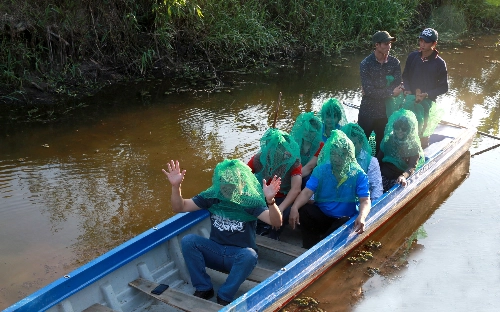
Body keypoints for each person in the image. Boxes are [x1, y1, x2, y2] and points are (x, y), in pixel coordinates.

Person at [162, 159, 282, 306]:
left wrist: (271, 201)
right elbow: (180, 207)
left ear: (241, 184)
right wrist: (176, 186)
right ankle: (204, 288)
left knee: (249, 255)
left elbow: (276, 222)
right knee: (189, 241)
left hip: (238, 257)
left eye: (232, 184)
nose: (227, 188)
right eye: (224, 183)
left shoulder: (249, 202)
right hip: (215, 251)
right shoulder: (212, 197)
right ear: (219, 183)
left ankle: (224, 296)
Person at [288, 130, 371, 249]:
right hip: (323, 215)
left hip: (343, 219)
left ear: (348, 155)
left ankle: (322, 247)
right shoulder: (321, 170)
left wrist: (362, 217)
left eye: (340, 154)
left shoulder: (358, 174)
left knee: (343, 222)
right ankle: (309, 247)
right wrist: (294, 207)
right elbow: (306, 192)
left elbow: (365, 201)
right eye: (333, 154)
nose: (336, 158)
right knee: (305, 211)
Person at [247, 128, 302, 240]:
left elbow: (296, 189)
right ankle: (258, 228)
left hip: (282, 197)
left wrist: (280, 209)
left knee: (283, 213)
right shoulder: (258, 158)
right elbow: (244, 175)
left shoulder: (293, 162)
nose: (274, 151)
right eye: (270, 147)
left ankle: (274, 233)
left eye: (278, 147)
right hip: (262, 195)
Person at [359, 30, 403, 155]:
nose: (389, 46)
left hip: (386, 112)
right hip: (367, 111)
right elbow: (369, 90)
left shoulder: (395, 63)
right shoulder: (365, 64)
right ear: (376, 45)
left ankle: (379, 171)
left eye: (390, 43)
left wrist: (378, 91)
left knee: (382, 146)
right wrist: (389, 92)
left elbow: (397, 86)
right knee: (361, 143)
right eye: (385, 43)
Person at [402, 28, 448, 147]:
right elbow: (405, 76)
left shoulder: (439, 63)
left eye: (426, 42)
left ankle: (421, 157)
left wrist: (427, 94)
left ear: (434, 44)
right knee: (405, 130)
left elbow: (443, 88)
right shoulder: (413, 57)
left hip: (427, 104)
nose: (422, 44)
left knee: (423, 134)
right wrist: (407, 89)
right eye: (421, 41)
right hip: (410, 101)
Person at [377, 109, 425, 192]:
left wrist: (403, 176)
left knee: (395, 187)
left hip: (398, 177)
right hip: (384, 173)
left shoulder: (413, 146)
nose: (400, 131)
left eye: (404, 129)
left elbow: (412, 166)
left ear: (409, 130)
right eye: (397, 127)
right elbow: (378, 160)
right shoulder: (389, 140)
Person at [341, 123, 383, 200]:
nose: (350, 148)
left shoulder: (371, 162)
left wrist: (373, 209)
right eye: (347, 144)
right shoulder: (337, 157)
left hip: (363, 202)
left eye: (354, 144)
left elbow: (376, 189)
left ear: (361, 143)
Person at [289, 112, 324, 188]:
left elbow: (310, 167)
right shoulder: (295, 143)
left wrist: (292, 179)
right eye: (306, 130)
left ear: (317, 133)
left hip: (309, 175)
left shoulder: (320, 146)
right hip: (295, 174)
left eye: (311, 131)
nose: (308, 133)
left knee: (307, 180)